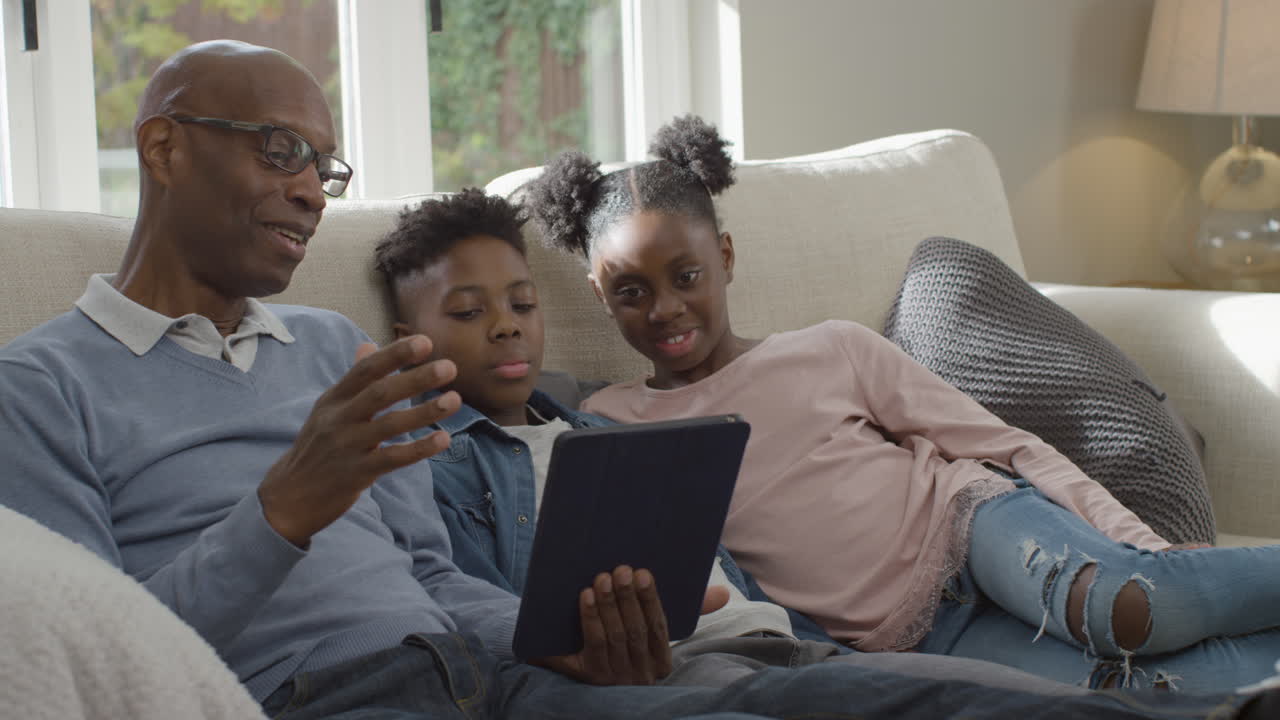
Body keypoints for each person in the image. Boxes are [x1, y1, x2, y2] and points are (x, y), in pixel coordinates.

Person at [0, 39, 1273, 720]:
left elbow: (436, 578)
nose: (300, 185)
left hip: (487, 671)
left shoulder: (329, 354)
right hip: (326, 698)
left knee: (823, 692)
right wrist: (283, 510)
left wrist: (578, 641)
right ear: (162, 145)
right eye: (280, 149)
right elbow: (100, 664)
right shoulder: (41, 388)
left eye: (321, 168)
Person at [525, 113, 1280, 694]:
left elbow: (1006, 443)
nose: (664, 309)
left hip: (971, 524)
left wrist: (1134, 543)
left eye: (685, 276)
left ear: (723, 256)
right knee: (1128, 692)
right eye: (632, 292)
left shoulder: (829, 347)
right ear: (599, 295)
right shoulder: (610, 424)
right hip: (911, 638)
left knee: (1131, 610)